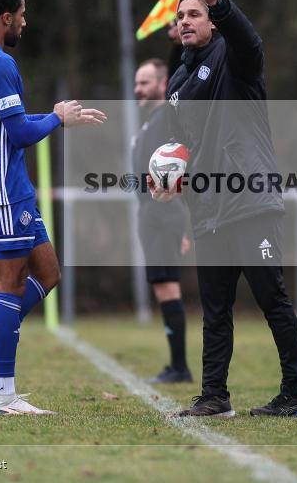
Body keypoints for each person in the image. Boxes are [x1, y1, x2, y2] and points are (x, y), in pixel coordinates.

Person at [152, 0, 297, 418]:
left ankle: (296, 392)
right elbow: (181, 147)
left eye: (195, 13)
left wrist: (222, 4)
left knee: (271, 298)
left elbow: (251, 43)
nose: (186, 20)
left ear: (211, 22)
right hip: (208, 210)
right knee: (215, 309)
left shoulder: (233, 58)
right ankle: (214, 396)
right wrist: (166, 177)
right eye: (182, 15)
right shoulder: (177, 84)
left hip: (250, 203)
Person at [0, 0, 106, 415]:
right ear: (5, 18)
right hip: (0, 188)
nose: (24, 20)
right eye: (21, 13)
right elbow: (18, 133)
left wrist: (58, 116)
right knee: (10, 284)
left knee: (49, 273)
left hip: (3, 184)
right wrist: (57, 119)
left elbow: (4, 124)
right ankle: (4, 396)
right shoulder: (0, 64)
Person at [132, 58, 193, 384]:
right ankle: (177, 365)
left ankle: (180, 367)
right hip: (152, 213)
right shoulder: (150, 122)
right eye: (137, 82)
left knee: (168, 288)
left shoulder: (168, 117)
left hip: (162, 213)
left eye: (145, 82)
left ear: (162, 82)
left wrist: (179, 221)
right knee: (162, 287)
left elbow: (177, 171)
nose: (138, 88)